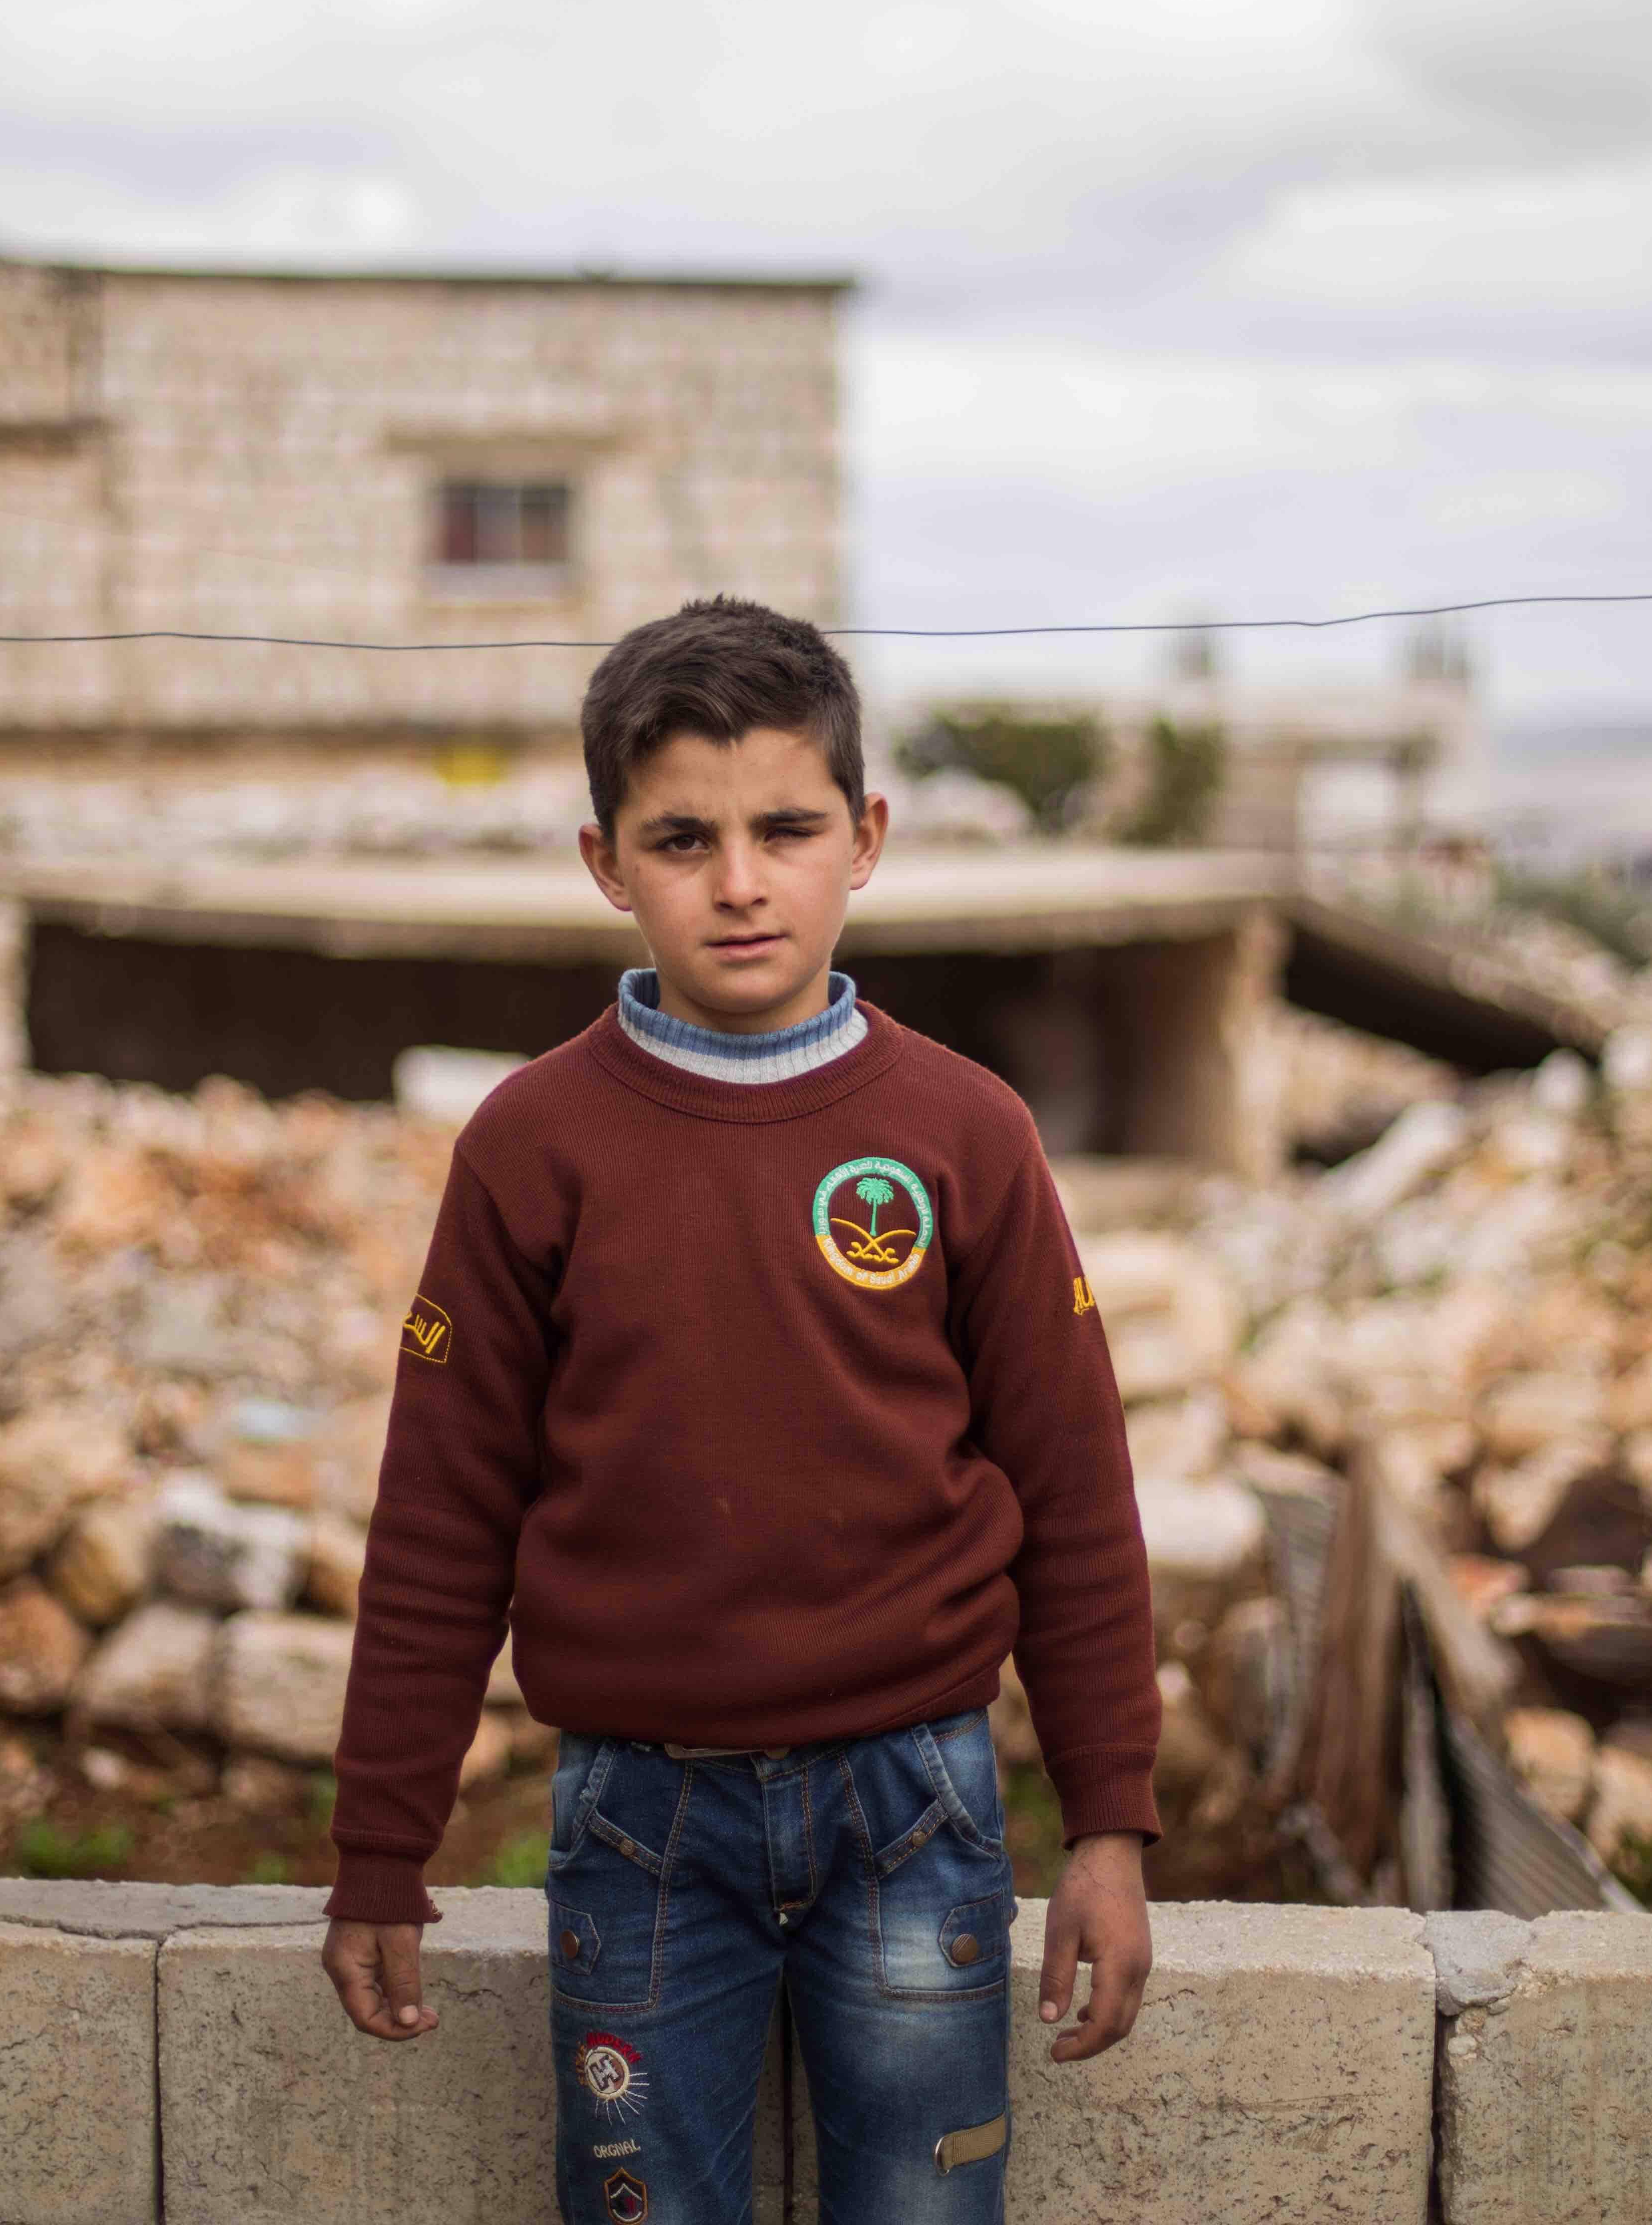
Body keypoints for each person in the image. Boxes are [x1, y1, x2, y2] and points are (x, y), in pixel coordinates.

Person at [319, 596, 1162, 2225]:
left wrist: (1109, 1827)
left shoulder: (965, 1134)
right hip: (640, 1818)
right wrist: (381, 1845)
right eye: (683, 838)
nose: (741, 880)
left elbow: (1074, 1496)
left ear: (867, 837)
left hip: (920, 1805)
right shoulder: (532, 1147)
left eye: (787, 829)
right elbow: (440, 1518)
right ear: (603, 861)